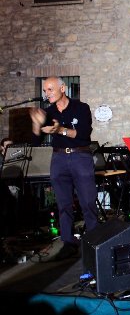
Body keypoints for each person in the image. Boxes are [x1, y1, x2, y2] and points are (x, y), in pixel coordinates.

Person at [29, 77, 98, 260]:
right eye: (45, 90)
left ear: (62, 88)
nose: (47, 94)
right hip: (58, 158)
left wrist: (60, 130)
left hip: (80, 156)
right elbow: (36, 141)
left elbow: (84, 134)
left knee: (88, 202)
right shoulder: (48, 112)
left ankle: (94, 243)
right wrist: (36, 124)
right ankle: (68, 243)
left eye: (50, 89)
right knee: (63, 204)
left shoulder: (81, 108)